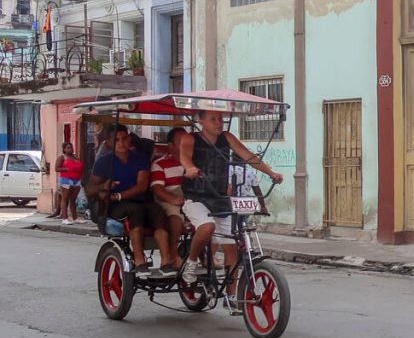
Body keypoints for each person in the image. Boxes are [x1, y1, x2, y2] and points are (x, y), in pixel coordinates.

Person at [180, 111, 285, 310]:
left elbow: (248, 156)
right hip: (196, 196)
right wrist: (190, 168)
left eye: (220, 119)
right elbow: (185, 158)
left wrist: (271, 172)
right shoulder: (190, 138)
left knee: (231, 246)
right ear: (201, 120)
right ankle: (191, 262)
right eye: (213, 119)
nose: (219, 123)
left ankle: (230, 296)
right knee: (207, 227)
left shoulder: (226, 138)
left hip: (220, 198)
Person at [86, 126, 173, 278]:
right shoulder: (104, 162)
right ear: (108, 142)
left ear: (129, 139)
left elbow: (141, 186)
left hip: (136, 199)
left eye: (124, 138)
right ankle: (139, 260)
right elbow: (90, 189)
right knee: (135, 211)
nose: (121, 143)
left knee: (158, 211)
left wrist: (119, 195)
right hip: (115, 206)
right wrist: (103, 186)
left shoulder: (139, 158)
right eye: (116, 140)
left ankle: (166, 261)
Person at [150, 128, 187, 272]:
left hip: (189, 197)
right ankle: (173, 253)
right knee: (174, 216)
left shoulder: (192, 161)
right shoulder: (159, 164)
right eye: (181, 142)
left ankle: (208, 255)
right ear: (171, 146)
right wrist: (174, 199)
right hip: (168, 198)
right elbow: (158, 190)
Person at [55, 142, 85, 225]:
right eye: (68, 148)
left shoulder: (76, 156)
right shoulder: (62, 157)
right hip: (66, 180)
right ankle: (65, 218)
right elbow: (57, 168)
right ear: (64, 149)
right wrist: (67, 169)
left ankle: (75, 218)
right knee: (65, 198)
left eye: (71, 147)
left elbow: (81, 168)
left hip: (77, 180)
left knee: (73, 199)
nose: (71, 149)